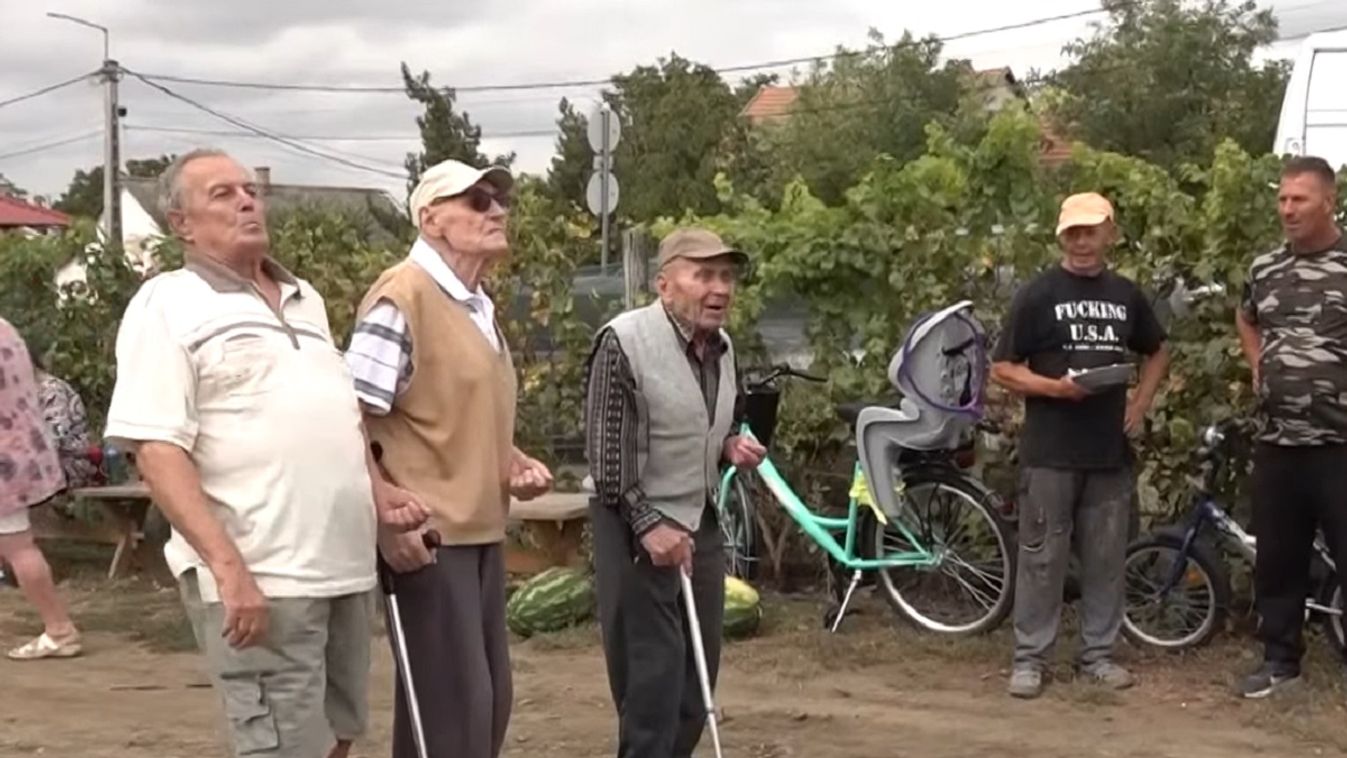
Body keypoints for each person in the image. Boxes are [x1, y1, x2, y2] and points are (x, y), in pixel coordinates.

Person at [104, 149, 428, 758]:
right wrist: (229, 571)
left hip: (342, 571)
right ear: (181, 224)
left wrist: (380, 497)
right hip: (263, 579)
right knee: (281, 747)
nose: (247, 200)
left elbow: (341, 415)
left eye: (249, 189)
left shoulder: (305, 298)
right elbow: (157, 449)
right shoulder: (165, 305)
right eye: (222, 194)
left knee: (337, 737)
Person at [345, 158, 553, 758]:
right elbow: (348, 413)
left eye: (498, 199)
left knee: (483, 706)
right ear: (429, 217)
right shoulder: (402, 298)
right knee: (452, 714)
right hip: (429, 535)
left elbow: (438, 408)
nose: (497, 210)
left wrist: (509, 458)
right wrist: (386, 518)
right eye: (477, 201)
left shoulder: (474, 303)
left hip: (480, 531)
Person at [583, 227, 766, 758]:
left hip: (697, 520)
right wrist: (648, 526)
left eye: (727, 276)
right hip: (633, 524)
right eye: (703, 273)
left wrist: (729, 444)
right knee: (652, 683)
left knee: (698, 676)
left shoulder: (721, 348)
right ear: (665, 284)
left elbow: (706, 420)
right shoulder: (623, 341)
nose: (720, 287)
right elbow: (606, 451)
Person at [991, 192, 1170, 699]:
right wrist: (1056, 389)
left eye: (1092, 231)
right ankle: (1030, 660)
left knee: (1107, 559)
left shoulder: (1126, 295)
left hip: (1108, 451)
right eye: (1073, 232)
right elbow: (1003, 368)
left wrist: (1139, 403)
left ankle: (1098, 656)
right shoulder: (1037, 294)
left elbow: (1157, 351)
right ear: (1061, 237)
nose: (1083, 241)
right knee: (1042, 557)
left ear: (1109, 233)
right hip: (1050, 452)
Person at [1234, 155, 1347, 698]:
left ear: (1329, 200)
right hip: (1278, 441)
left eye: (1298, 199)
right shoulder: (1266, 268)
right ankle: (1280, 663)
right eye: (1282, 199)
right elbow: (1246, 314)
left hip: (1339, 444)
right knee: (1278, 560)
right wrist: (1257, 361)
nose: (1287, 208)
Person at [0, 318, 82, 660]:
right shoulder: (5, 328)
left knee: (19, 547)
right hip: (21, 450)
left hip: (5, 461)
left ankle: (60, 630)